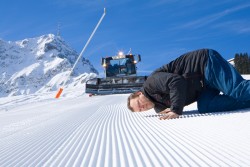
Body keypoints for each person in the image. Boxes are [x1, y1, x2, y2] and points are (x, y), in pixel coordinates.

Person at [127, 48, 250, 120]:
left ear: (139, 93)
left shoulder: (151, 84)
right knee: (206, 107)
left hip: (204, 64)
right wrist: (168, 109)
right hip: (203, 86)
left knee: (237, 91)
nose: (142, 107)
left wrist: (176, 110)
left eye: (139, 103)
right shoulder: (159, 107)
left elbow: (176, 81)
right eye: (140, 110)